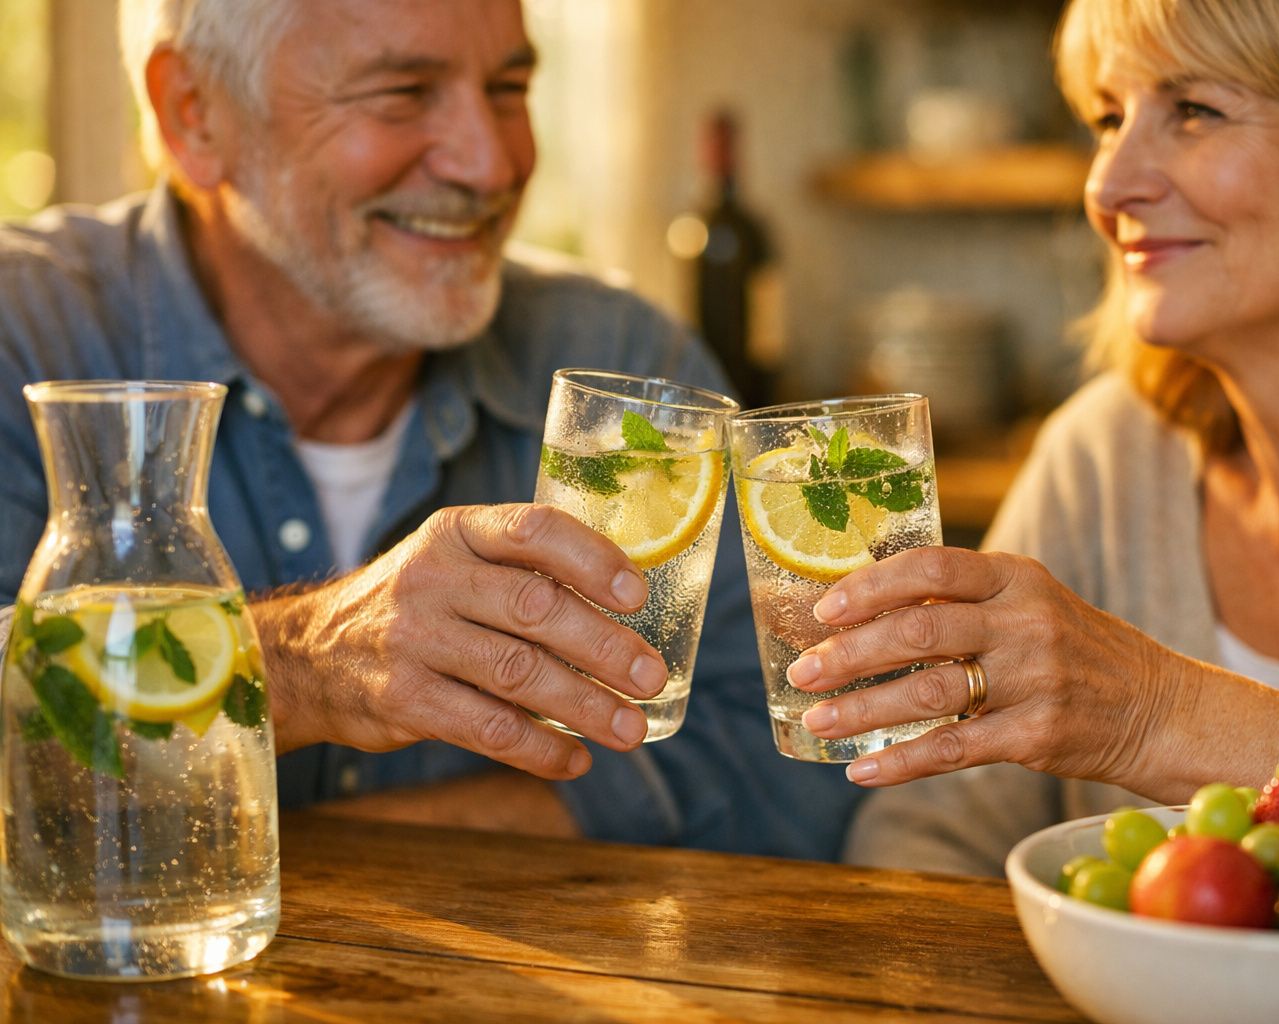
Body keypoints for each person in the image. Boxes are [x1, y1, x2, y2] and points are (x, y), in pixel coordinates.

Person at [0, 0, 861, 859]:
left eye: (509, 86)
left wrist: (281, 851)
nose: (490, 165)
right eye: (402, 94)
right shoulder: (24, 330)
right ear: (194, 111)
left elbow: (794, 764)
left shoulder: (627, 363)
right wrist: (303, 664)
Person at [778, 0, 1279, 876]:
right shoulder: (1101, 457)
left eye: (1196, 111)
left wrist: (1156, 711)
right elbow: (926, 840)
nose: (1105, 187)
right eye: (1108, 118)